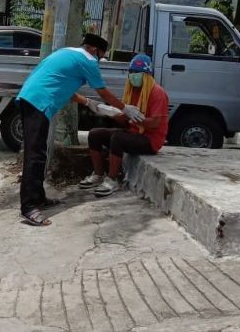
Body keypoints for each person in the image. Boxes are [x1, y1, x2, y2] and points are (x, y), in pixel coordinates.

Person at [16, 33, 145, 226]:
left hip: (33, 98)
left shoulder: (68, 52)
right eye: (100, 56)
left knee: (39, 154)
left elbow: (65, 86)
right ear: (94, 50)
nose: (99, 61)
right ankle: (28, 207)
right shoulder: (88, 60)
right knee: (34, 156)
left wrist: (88, 103)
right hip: (38, 102)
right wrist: (124, 108)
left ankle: (39, 197)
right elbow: (102, 91)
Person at [78, 54, 169, 196]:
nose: (133, 76)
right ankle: (98, 174)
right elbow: (124, 121)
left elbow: (155, 123)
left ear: (146, 75)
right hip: (133, 132)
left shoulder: (157, 92)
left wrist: (136, 118)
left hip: (150, 140)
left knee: (118, 138)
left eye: (137, 73)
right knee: (95, 134)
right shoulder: (131, 92)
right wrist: (110, 112)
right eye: (131, 72)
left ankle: (112, 179)